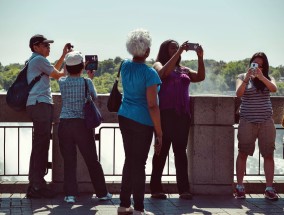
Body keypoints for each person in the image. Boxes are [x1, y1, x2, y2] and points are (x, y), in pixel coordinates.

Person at [150, 40, 205, 200]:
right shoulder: (158, 65)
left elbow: (200, 77)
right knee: (161, 151)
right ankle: (155, 188)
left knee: (180, 152)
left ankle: (184, 189)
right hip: (164, 115)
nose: (176, 48)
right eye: (173, 47)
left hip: (182, 115)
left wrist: (200, 58)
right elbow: (162, 75)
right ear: (165, 50)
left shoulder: (183, 69)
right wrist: (179, 52)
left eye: (177, 46)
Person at [117, 29, 162, 215]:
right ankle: (139, 208)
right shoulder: (150, 73)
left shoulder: (124, 65)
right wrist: (159, 132)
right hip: (142, 121)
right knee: (139, 164)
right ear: (147, 51)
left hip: (124, 116)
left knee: (130, 160)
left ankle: (123, 204)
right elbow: (152, 105)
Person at [58, 51, 112, 204]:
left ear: (67, 68)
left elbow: (62, 73)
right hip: (82, 124)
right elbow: (93, 96)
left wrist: (68, 63)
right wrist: (89, 76)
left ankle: (70, 195)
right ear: (82, 66)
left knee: (69, 160)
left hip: (65, 124)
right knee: (92, 160)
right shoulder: (86, 82)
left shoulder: (62, 82)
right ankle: (102, 193)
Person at [26, 34, 70, 198]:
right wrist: (72, 65)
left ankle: (36, 184)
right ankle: (37, 185)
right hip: (40, 105)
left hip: (36, 105)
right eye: (44, 45)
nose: (48, 47)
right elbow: (59, 75)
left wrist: (63, 56)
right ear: (35, 47)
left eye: (48, 45)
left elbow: (53, 72)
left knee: (40, 145)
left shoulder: (36, 60)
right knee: (41, 146)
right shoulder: (38, 60)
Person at [234, 52, 279, 201]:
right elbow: (238, 94)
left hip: (266, 121)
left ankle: (269, 188)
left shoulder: (268, 77)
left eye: (261, 65)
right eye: (255, 64)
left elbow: (274, 89)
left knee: (268, 154)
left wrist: (261, 77)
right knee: (243, 153)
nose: (258, 67)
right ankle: (240, 187)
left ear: (264, 66)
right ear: (250, 64)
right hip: (247, 120)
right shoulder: (241, 77)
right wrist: (247, 78)